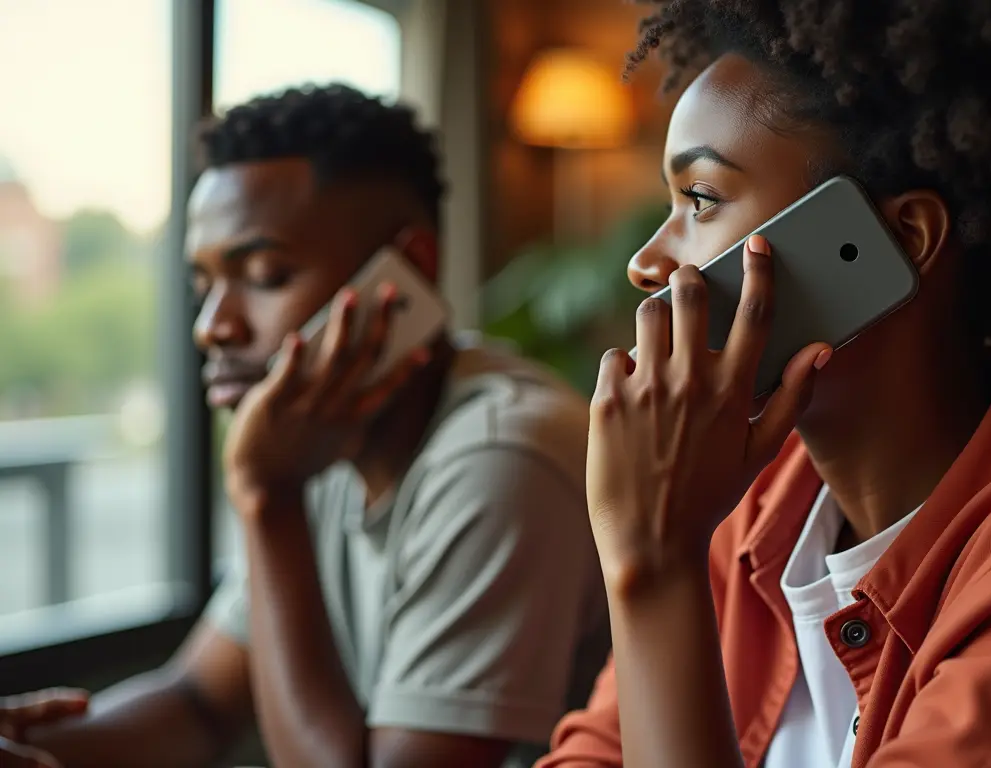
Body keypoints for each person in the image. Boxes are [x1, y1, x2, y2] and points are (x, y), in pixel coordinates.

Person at [540, 1, 991, 767]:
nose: (647, 262)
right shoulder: (750, 509)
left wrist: (654, 566)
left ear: (900, 240)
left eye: (699, 200)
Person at [9, 84, 610, 768]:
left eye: (264, 275)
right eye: (204, 286)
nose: (213, 327)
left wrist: (267, 497)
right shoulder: (325, 437)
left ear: (407, 271)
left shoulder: (504, 455)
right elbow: (200, 701)